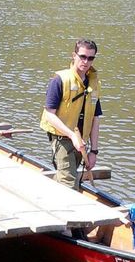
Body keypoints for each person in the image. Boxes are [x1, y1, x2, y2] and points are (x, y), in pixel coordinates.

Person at [40, 39, 102, 191]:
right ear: (74, 55)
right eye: (82, 56)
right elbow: (50, 115)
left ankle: (47, 189)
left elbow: (95, 118)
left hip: (81, 144)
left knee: (69, 177)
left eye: (90, 58)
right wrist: (72, 135)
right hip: (62, 140)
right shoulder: (60, 80)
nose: (86, 61)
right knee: (69, 184)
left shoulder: (94, 84)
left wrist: (94, 151)